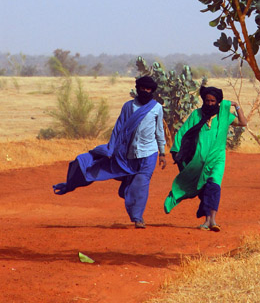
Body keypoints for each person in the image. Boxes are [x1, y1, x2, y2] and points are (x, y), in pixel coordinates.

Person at [52, 75, 166, 229]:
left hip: (150, 152)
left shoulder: (156, 108)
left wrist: (163, 153)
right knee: (129, 179)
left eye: (149, 89)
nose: (146, 91)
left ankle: (137, 217)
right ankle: (126, 192)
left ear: (152, 90)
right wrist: (111, 148)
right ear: (137, 89)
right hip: (129, 153)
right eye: (143, 88)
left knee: (142, 182)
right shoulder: (128, 107)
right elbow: (119, 128)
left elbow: (159, 131)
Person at [164, 85, 247, 232]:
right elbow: (184, 132)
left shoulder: (224, 115)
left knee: (214, 185)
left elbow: (243, 123)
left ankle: (211, 220)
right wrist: (177, 151)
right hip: (198, 160)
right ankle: (207, 219)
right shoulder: (196, 114)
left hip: (217, 159)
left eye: (213, 101)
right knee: (203, 188)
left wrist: (236, 106)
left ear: (218, 101)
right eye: (207, 100)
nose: (209, 103)